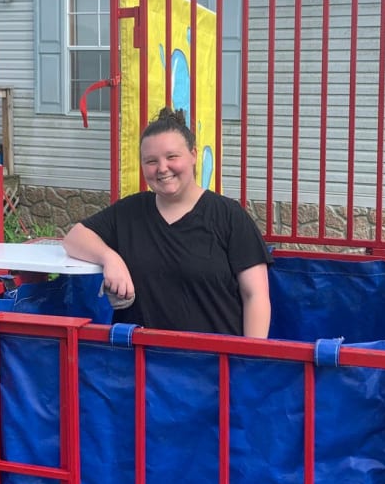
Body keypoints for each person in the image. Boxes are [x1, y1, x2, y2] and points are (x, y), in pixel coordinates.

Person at [62, 107, 271, 337]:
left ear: (193, 155)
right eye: (151, 161)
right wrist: (110, 258)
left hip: (214, 357)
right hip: (141, 357)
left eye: (172, 157)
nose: (162, 168)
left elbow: (255, 296)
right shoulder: (129, 211)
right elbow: (74, 238)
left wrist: (248, 355)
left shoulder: (229, 216)